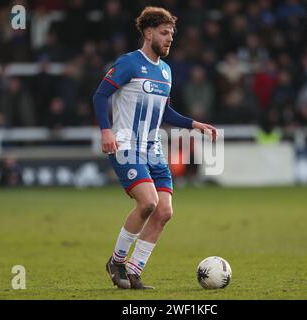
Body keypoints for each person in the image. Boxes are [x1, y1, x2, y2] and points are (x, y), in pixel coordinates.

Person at [93, 6, 217, 290]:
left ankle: (134, 272)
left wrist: (194, 124)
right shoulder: (129, 63)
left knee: (164, 212)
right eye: (164, 33)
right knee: (148, 202)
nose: (169, 38)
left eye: (172, 33)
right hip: (126, 144)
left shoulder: (166, 71)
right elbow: (101, 95)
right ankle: (116, 261)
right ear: (148, 33)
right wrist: (106, 130)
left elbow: (163, 112)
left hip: (153, 148)